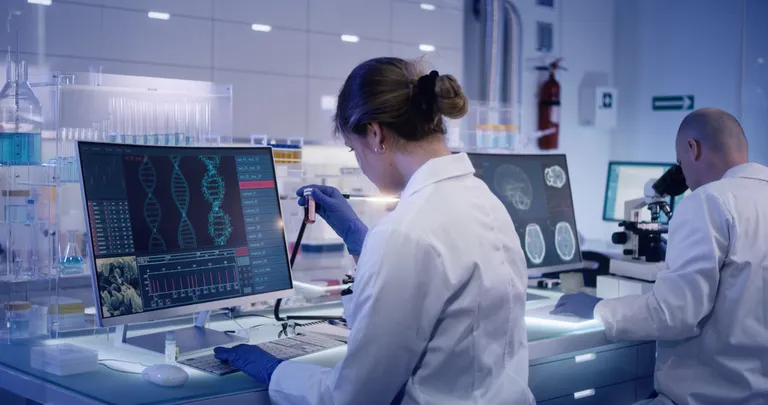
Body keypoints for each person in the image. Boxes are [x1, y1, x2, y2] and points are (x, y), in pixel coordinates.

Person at [214, 57, 535, 405]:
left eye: (353, 149)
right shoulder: (483, 199)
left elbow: (353, 397)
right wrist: (363, 246)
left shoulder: (406, 231)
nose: (360, 162)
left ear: (375, 134)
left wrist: (276, 372)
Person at [552, 108, 768, 404]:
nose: (684, 177)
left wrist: (599, 309)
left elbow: (673, 313)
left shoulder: (709, 201)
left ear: (693, 148)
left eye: (680, 163)